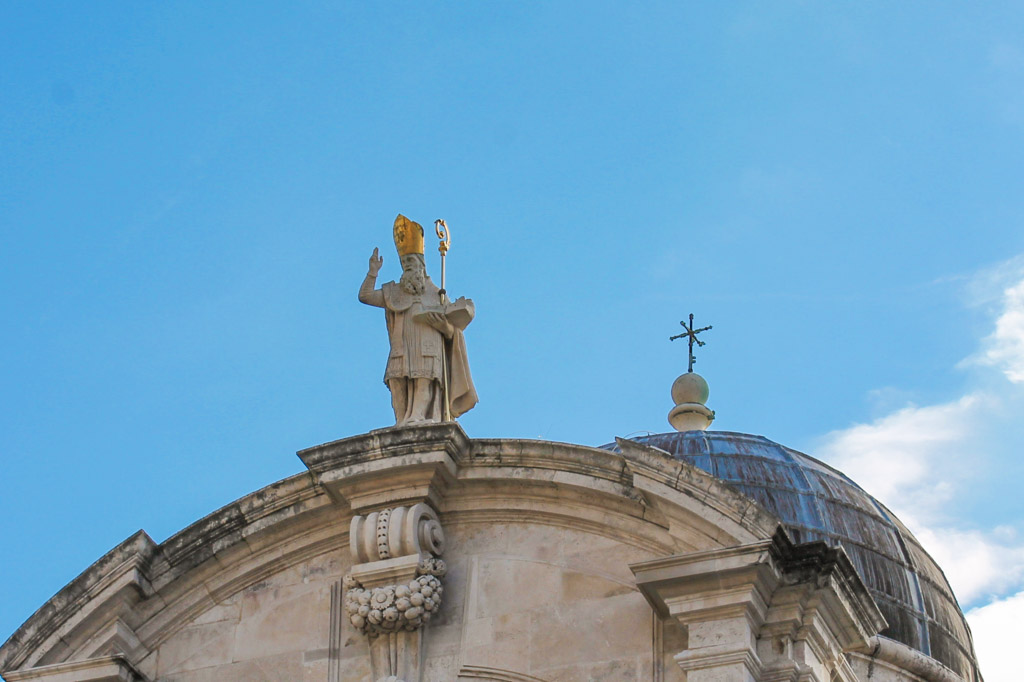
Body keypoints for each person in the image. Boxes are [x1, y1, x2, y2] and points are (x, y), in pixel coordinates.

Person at [358, 215, 477, 425]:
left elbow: (452, 332)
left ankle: (419, 416)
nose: (408, 266)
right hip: (402, 344)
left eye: (412, 262)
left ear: (422, 265)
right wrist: (372, 273)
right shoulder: (394, 291)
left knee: (424, 379)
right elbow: (365, 296)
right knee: (397, 380)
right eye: (404, 263)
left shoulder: (436, 294)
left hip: (427, 344)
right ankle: (401, 420)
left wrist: (443, 326)